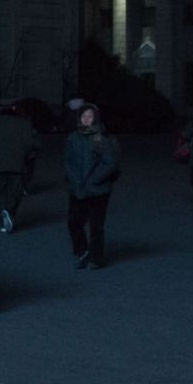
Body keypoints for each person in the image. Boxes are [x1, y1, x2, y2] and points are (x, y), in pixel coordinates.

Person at [63, 105, 120, 269]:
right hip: (77, 189)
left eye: (90, 116)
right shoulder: (73, 138)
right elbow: (68, 162)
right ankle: (81, 252)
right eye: (84, 116)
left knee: (96, 225)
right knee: (73, 222)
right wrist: (74, 180)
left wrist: (93, 180)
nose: (87, 119)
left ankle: (96, 258)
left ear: (95, 118)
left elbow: (110, 164)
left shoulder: (101, 138)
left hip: (98, 190)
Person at [0, 100, 40, 233]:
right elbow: (31, 143)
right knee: (16, 191)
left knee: (0, 192)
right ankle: (9, 211)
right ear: (14, 109)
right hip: (17, 162)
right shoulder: (23, 123)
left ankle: (4, 221)